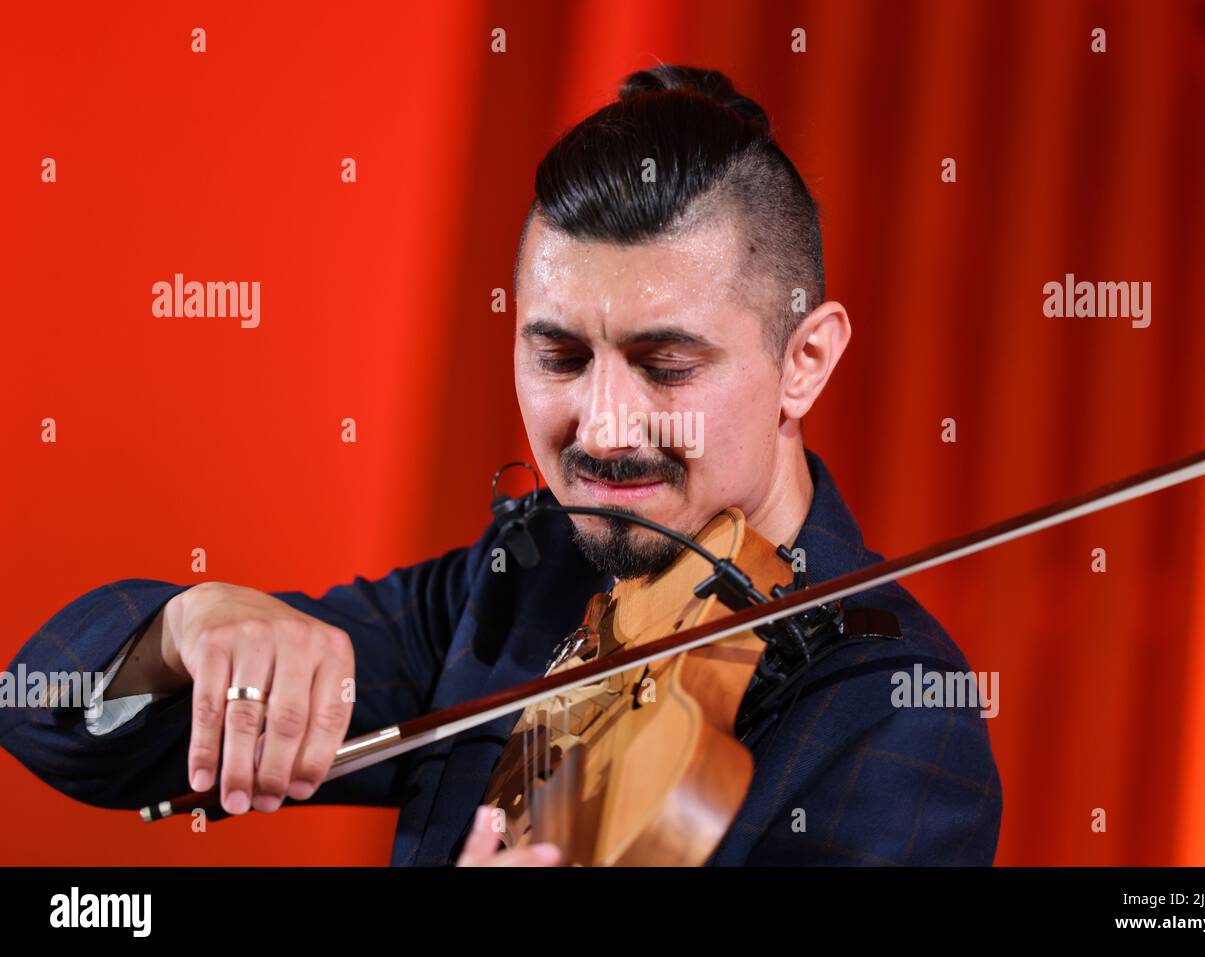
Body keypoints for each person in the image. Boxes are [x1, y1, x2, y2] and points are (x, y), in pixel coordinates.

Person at [0, 65, 1001, 866]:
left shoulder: (896, 722)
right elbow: (40, 712)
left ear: (805, 362)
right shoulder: (522, 583)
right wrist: (187, 628)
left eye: (665, 365)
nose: (602, 429)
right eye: (559, 357)